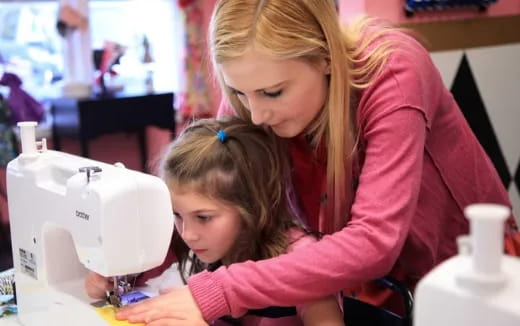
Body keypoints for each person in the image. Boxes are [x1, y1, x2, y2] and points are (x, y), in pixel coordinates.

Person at [117, 0, 518, 324]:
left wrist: (218, 291)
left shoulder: (393, 71)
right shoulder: (253, 94)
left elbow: (373, 240)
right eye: (239, 92)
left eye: (272, 93)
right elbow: (205, 190)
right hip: (364, 275)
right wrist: (133, 263)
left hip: (469, 273)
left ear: (325, 57)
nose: (254, 116)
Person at [85, 117, 344, 325]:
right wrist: (111, 279)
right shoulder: (199, 237)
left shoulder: (299, 257)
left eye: (204, 217)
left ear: (251, 206)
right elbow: (134, 270)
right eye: (176, 214)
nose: (187, 234)